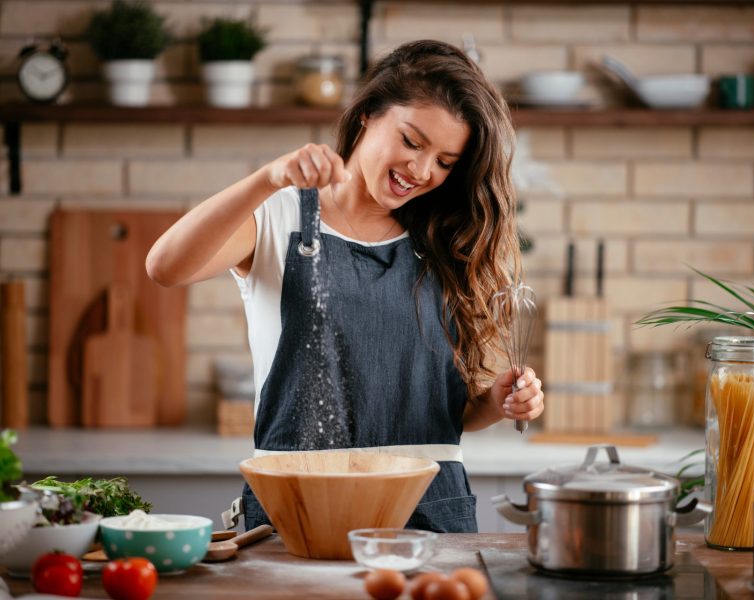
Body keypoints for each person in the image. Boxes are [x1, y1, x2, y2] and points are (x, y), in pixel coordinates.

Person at [146, 39, 544, 533]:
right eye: (412, 142)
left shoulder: (447, 242)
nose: (421, 171)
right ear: (367, 116)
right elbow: (165, 267)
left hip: (427, 512)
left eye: (444, 162)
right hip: (300, 503)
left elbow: (441, 416)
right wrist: (267, 179)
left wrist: (494, 403)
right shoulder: (281, 217)